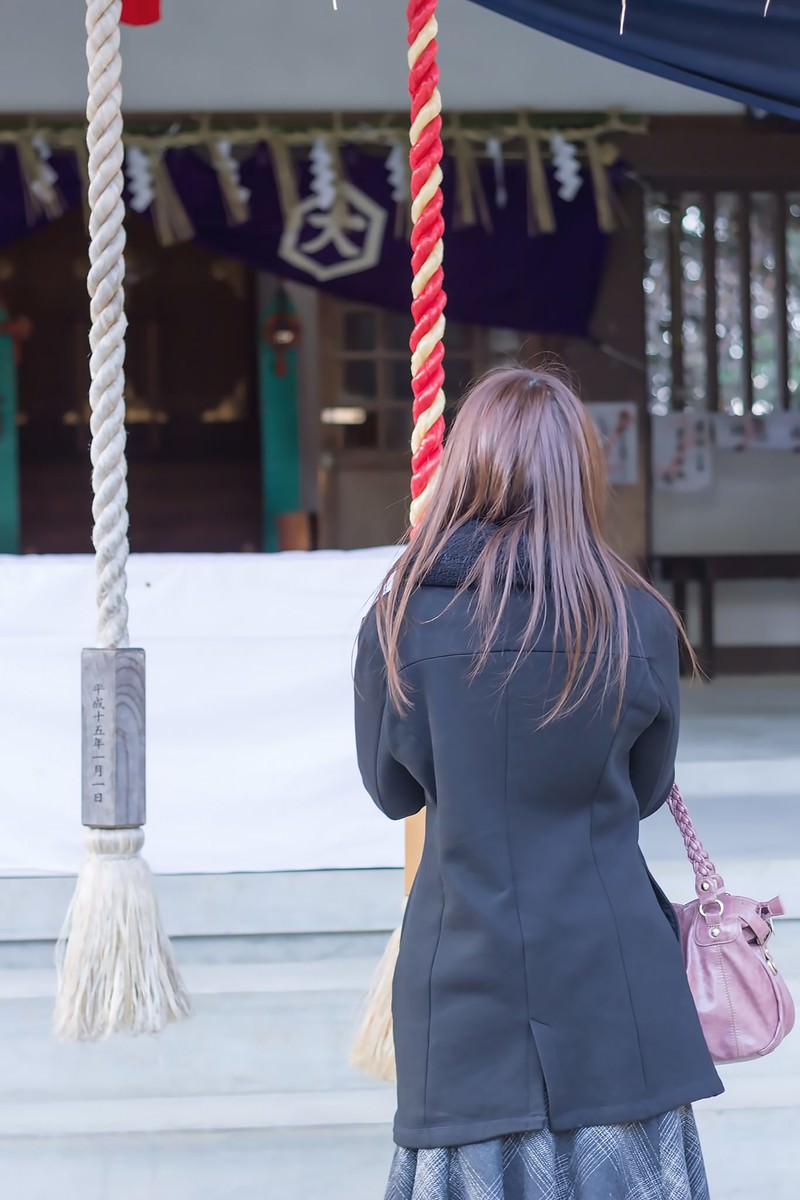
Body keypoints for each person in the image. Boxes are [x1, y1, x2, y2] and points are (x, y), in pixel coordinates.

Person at [354, 367, 723, 1200]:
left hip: (464, 984)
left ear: (467, 467)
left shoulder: (401, 618)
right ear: (577, 474)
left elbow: (394, 792)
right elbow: (652, 785)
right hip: (616, 985)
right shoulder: (637, 617)